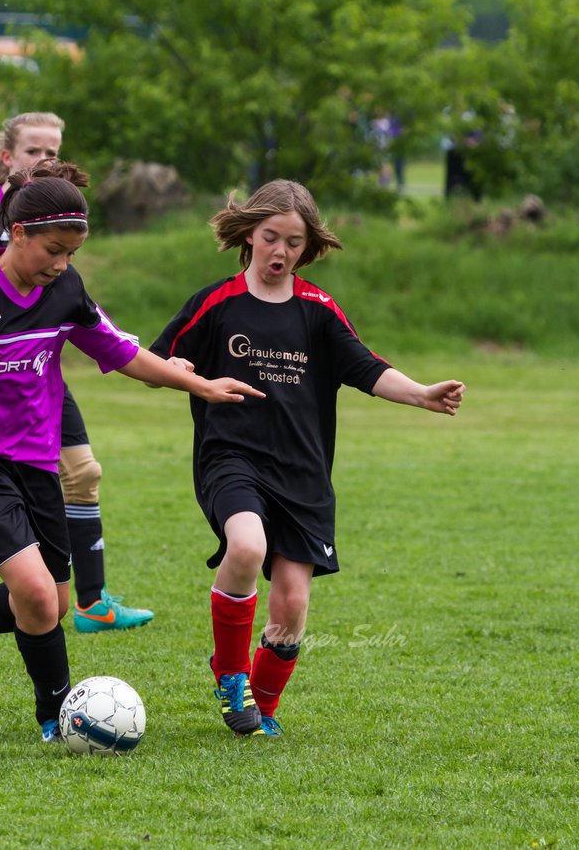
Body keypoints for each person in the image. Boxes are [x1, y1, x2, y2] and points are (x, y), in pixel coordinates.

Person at [0, 161, 264, 742]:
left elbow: (121, 351)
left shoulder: (64, 291)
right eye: (53, 250)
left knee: (50, 605)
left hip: (35, 459)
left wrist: (200, 384)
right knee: (33, 593)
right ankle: (57, 715)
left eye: (72, 254)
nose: (61, 265)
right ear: (18, 232)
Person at [149, 180, 465, 737]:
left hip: (303, 474)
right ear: (249, 232)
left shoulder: (318, 310)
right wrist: (195, 382)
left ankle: (260, 712)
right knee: (247, 546)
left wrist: (421, 393)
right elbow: (156, 362)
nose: (280, 252)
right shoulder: (215, 304)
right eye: (271, 237)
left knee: (291, 607)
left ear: (307, 245)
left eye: (294, 242)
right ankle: (230, 675)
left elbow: (367, 367)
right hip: (232, 458)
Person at [0, 111, 156, 634]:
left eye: (54, 151)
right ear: (8, 158)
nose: (45, 160)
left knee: (83, 473)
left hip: (39, 372)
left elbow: (92, 328)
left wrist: (185, 376)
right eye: (33, 152)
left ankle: (90, 601)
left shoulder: (64, 224)